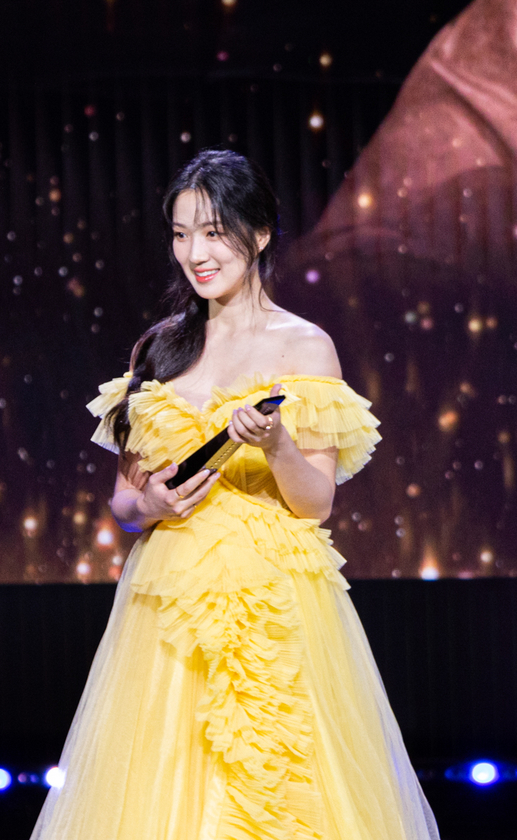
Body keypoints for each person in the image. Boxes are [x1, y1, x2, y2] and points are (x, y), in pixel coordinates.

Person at [31, 149, 440, 840]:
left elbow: (316, 505)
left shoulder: (305, 347)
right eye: (181, 233)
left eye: (214, 231)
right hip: (170, 604)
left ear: (260, 233)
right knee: (162, 796)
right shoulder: (158, 349)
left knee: (279, 792)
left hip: (271, 602)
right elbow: (124, 502)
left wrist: (276, 443)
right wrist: (151, 506)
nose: (196, 252)